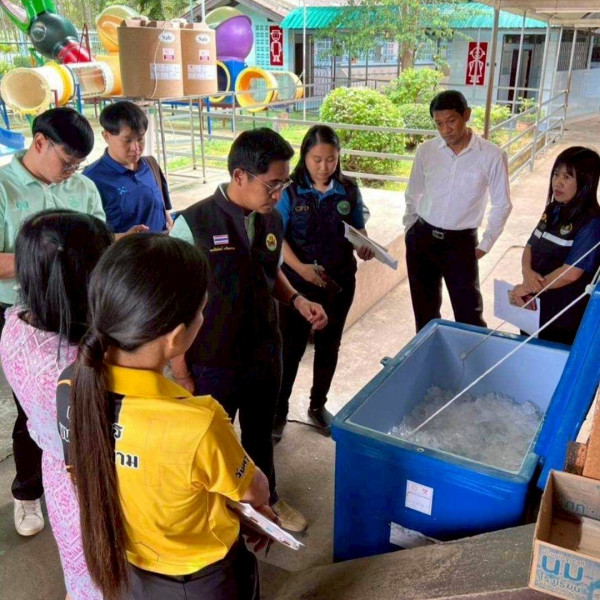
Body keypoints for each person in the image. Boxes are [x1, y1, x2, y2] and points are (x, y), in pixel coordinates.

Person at [58, 234, 272, 600]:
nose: (203, 317)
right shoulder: (197, 423)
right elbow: (257, 491)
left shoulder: (71, 384)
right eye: (202, 309)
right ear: (175, 338)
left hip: (126, 570)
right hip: (199, 581)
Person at [170, 128, 328, 533]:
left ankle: (267, 500)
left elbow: (269, 272)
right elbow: (171, 303)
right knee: (211, 441)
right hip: (211, 360)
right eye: (272, 184)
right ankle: (215, 509)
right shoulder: (193, 224)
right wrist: (181, 372)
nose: (278, 193)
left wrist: (297, 300)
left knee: (259, 434)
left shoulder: (271, 218)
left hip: (263, 352)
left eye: (284, 183)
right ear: (240, 175)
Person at [0, 107, 105, 537]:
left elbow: (98, 245)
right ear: (39, 142)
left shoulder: (83, 187)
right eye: (66, 161)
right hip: (24, 314)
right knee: (37, 409)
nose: (71, 172)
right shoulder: (3, 189)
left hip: (82, 312)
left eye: (78, 164)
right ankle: (27, 492)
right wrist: (49, 258)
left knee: (87, 401)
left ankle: (86, 478)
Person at [0, 209, 112, 599]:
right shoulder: (88, 365)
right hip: (100, 483)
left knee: (82, 572)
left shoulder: (16, 325)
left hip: (60, 478)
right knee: (111, 571)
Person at [272, 125, 374, 440]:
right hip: (297, 284)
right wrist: (301, 269)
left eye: (331, 159)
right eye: (317, 159)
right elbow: (277, 237)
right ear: (305, 156)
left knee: (329, 345)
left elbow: (357, 228)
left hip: (338, 282)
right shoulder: (289, 192)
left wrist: (364, 245)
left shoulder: (348, 189)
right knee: (291, 348)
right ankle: (278, 412)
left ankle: (318, 406)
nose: (323, 167)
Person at [403, 90, 512, 332]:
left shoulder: (491, 155)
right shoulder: (426, 151)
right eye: (439, 123)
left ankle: (471, 357)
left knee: (469, 314)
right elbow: (414, 192)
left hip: (460, 243)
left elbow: (502, 203)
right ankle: (430, 354)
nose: (445, 129)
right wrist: (410, 228)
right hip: (422, 238)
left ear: (466, 115)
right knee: (424, 313)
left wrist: (486, 243)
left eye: (451, 121)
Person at [512, 146, 600, 345]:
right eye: (556, 174)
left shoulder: (592, 222)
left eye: (567, 177)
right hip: (535, 303)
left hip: (563, 315)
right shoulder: (553, 209)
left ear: (586, 182)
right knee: (527, 350)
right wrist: (527, 272)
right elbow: (530, 246)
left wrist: (530, 287)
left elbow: (571, 272)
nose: (557, 182)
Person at [84, 100, 173, 234]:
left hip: (161, 245)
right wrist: (123, 237)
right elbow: (88, 236)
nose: (136, 148)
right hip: (126, 248)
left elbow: (163, 210)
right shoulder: (91, 179)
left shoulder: (150, 166)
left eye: (140, 138)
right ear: (106, 136)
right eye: (127, 140)